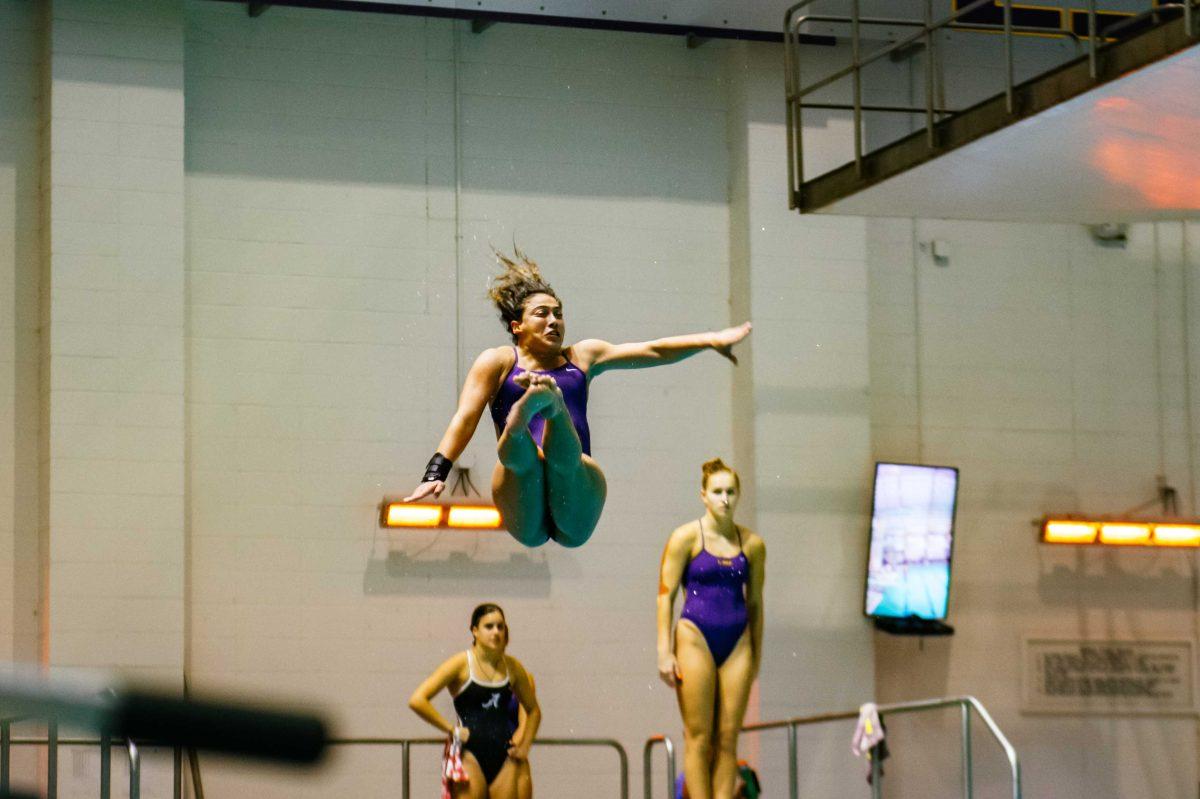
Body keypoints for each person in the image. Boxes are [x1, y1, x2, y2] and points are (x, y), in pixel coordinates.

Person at [405, 249, 751, 548]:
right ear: (517, 326)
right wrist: (437, 471)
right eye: (542, 313)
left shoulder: (582, 357)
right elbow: (465, 417)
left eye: (558, 313)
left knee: (561, 456)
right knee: (520, 456)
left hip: (573, 482)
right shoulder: (497, 361)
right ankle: (527, 415)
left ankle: (547, 405)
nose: (554, 320)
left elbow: (652, 350)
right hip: (522, 486)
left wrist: (711, 339)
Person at [657, 459, 766, 799]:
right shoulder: (685, 537)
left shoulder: (752, 545)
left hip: (737, 642)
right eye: (717, 492)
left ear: (739, 496)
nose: (724, 499)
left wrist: (756, 657)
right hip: (695, 636)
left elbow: (756, 604)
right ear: (703, 495)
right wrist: (664, 651)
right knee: (699, 735)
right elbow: (665, 595)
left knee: (729, 735)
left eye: (730, 492)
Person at [410, 604, 540, 799]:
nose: (496, 632)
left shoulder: (512, 667)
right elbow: (418, 700)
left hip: (504, 756)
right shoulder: (461, 663)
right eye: (489, 626)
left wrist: (525, 746)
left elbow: (534, 711)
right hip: (470, 754)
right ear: (475, 631)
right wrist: (451, 729)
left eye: (500, 626)